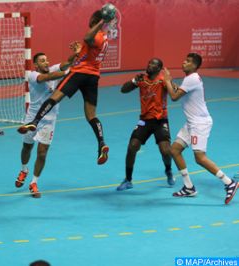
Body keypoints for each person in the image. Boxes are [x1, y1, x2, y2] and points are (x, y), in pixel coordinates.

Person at [17, 9, 113, 165]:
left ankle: (34, 121)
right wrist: (78, 52)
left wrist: (101, 21)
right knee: (91, 115)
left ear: (95, 21)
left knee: (54, 97)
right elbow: (87, 54)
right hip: (94, 77)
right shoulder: (105, 38)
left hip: (80, 73)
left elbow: (88, 37)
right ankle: (101, 143)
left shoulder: (96, 35)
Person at [163, 53, 238, 204]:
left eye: (188, 61)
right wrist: (172, 84)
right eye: (184, 60)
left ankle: (229, 183)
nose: (184, 63)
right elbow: (180, 92)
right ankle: (189, 187)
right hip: (191, 123)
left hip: (199, 124)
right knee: (175, 150)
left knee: (200, 158)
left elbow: (174, 97)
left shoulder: (191, 78)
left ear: (195, 66)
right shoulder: (190, 79)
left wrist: (167, 81)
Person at [15, 43, 81, 198]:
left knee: (42, 153)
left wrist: (76, 54)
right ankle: (24, 169)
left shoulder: (54, 69)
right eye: (42, 61)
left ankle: (33, 182)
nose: (46, 62)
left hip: (49, 119)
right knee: (27, 147)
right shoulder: (32, 75)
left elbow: (66, 63)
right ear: (36, 64)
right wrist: (69, 73)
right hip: (32, 117)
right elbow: (48, 77)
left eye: (47, 60)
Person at [116, 58, 174, 191]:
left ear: (159, 68)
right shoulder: (141, 78)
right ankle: (128, 180)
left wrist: (169, 82)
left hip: (161, 120)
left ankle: (168, 170)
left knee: (165, 150)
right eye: (149, 63)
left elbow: (174, 93)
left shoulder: (162, 80)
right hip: (145, 120)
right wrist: (133, 81)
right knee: (132, 147)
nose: (150, 65)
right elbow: (123, 90)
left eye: (154, 64)